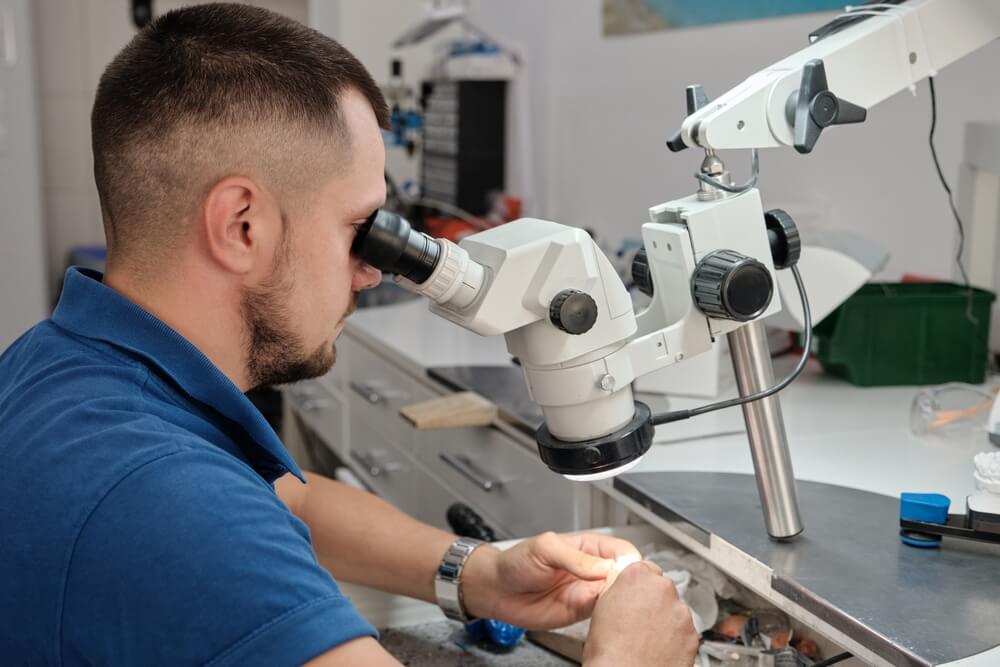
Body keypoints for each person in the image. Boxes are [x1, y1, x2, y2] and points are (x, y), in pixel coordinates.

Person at [0, 4, 699, 665]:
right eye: (357, 228)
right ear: (243, 225)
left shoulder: (60, 365)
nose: (370, 273)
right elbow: (209, 520)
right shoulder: (168, 503)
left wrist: (477, 571)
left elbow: (289, 497)